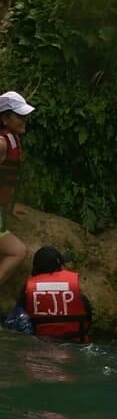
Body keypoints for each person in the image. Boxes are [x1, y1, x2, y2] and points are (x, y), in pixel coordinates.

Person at [0, 92, 34, 291]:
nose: (23, 120)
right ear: (5, 118)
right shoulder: (2, 143)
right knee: (17, 252)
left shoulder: (11, 140)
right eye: (19, 116)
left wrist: (9, 205)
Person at [22, 246, 91, 342]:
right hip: (76, 345)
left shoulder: (28, 290)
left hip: (42, 344)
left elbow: (21, 321)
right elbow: (87, 316)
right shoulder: (74, 289)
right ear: (58, 266)